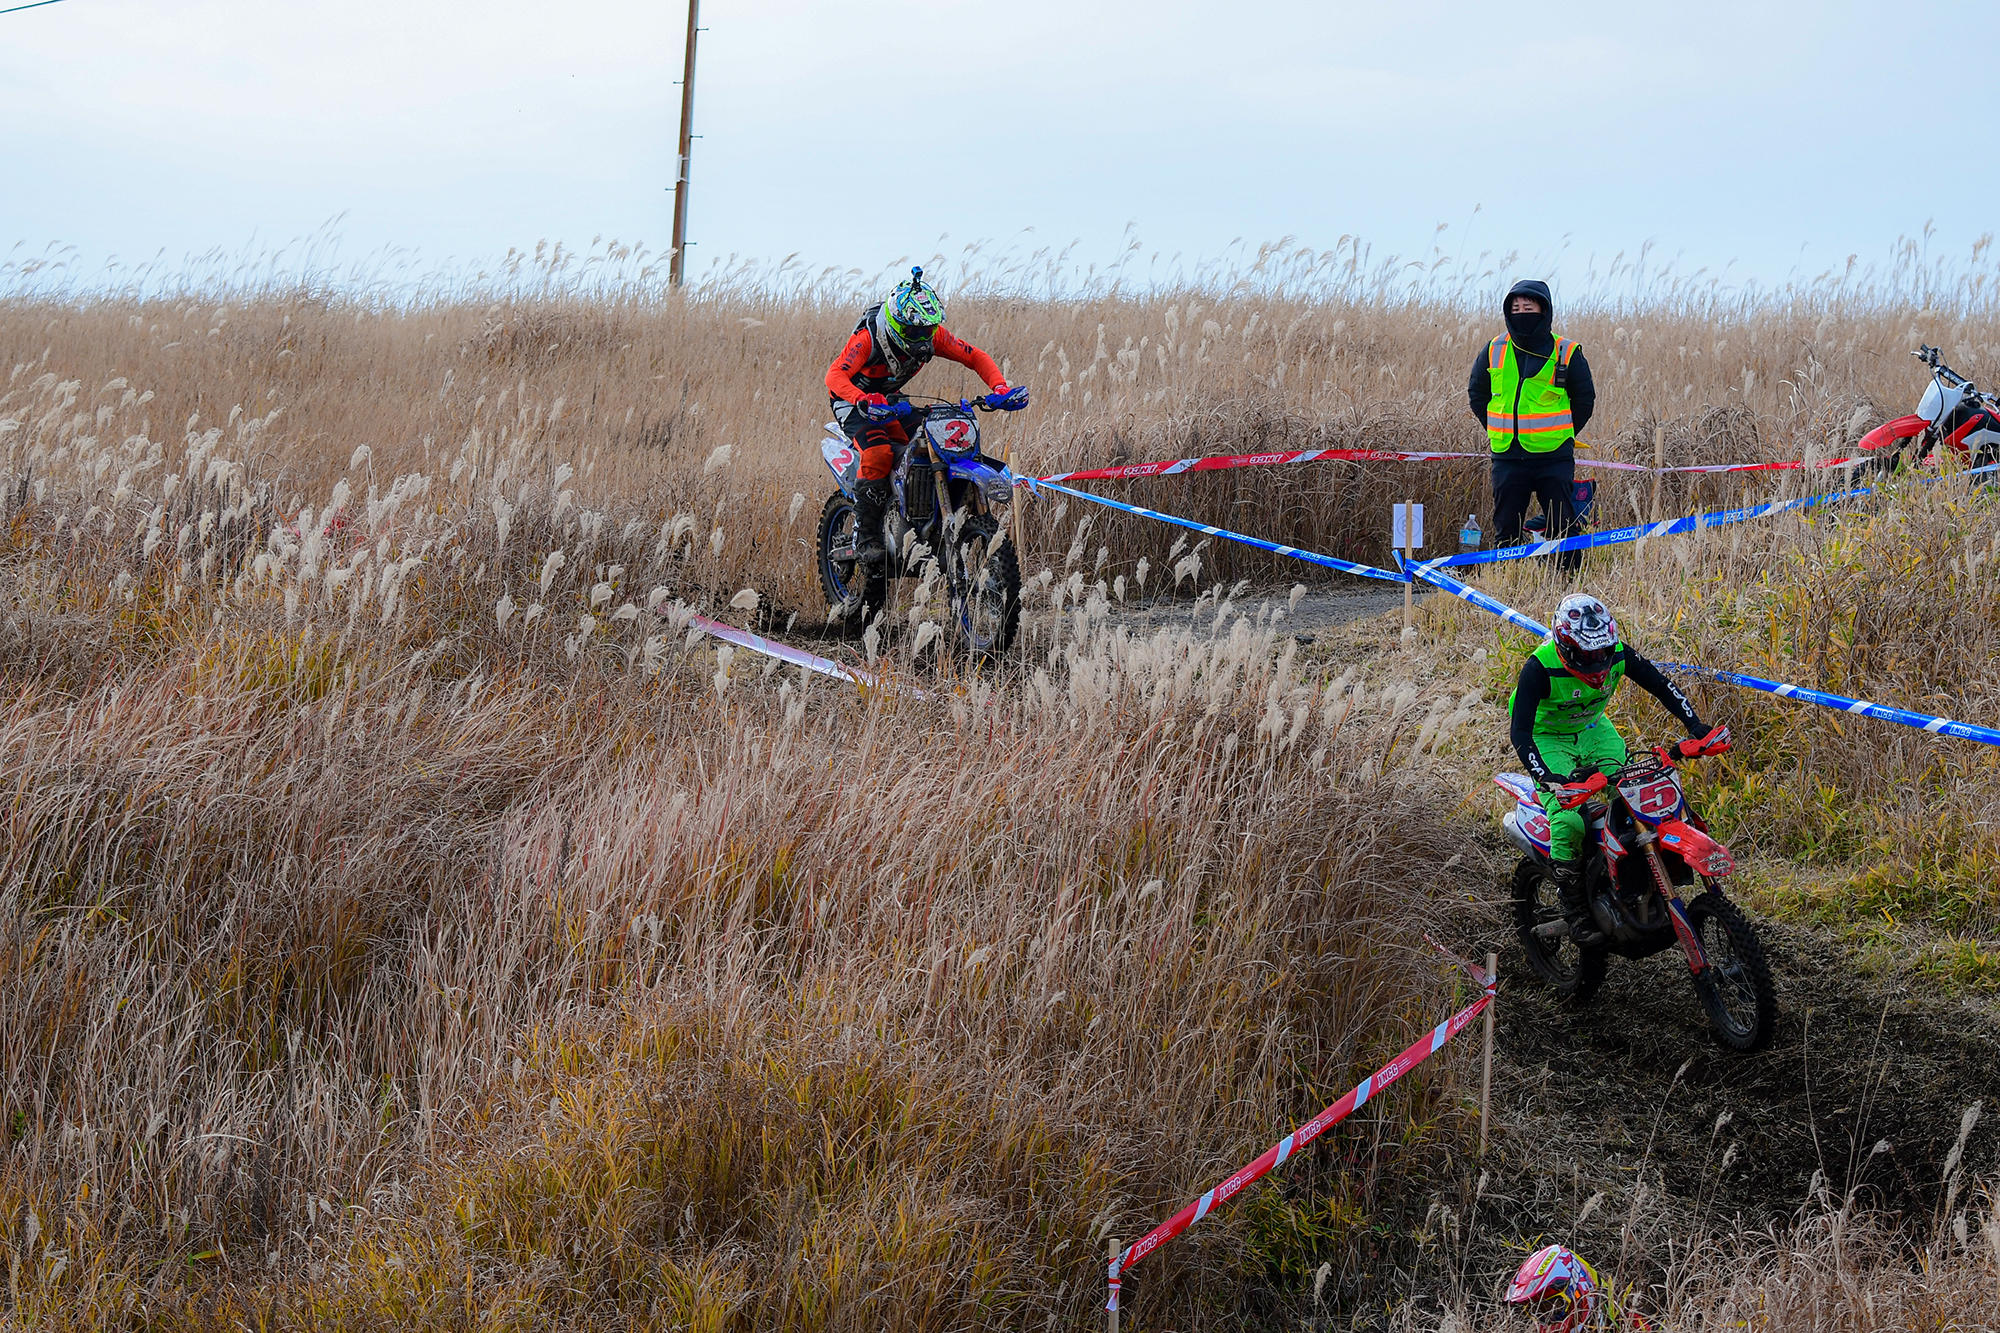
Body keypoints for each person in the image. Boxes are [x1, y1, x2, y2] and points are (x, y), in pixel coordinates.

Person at [1509, 593, 1728, 944]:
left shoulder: (1618, 653)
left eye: (1603, 653)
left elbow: (1661, 685)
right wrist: (1548, 778)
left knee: (1638, 790)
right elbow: (1519, 731)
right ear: (1565, 647)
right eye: (1587, 655)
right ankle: (1576, 908)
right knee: (1567, 820)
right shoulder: (1539, 668)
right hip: (1546, 736)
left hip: (1595, 729)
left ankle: (1636, 875)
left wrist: (1695, 726)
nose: (1598, 663)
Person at [824, 266, 1026, 569]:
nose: (922, 337)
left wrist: (999, 388)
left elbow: (974, 356)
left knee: (928, 440)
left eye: (927, 329)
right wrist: (862, 399)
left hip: (890, 400)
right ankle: (866, 537)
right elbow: (834, 375)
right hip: (852, 400)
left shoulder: (934, 335)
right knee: (879, 453)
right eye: (914, 331)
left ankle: (917, 518)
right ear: (895, 323)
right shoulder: (868, 338)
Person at [1468, 280, 1597, 568]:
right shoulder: (1493, 349)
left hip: (1553, 457)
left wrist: (1563, 433)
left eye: (1529, 307)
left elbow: (1584, 399)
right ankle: (1509, 584)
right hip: (1507, 456)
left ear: (1544, 309)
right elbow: (1477, 393)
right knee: (1506, 528)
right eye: (1515, 307)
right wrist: (1494, 427)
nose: (1521, 312)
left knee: (1562, 525)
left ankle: (1567, 582)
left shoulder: (1567, 351)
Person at [1504, 1244, 1653, 1331]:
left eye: (1552, 1307)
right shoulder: (1551, 1327)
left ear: (1577, 1286)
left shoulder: (1628, 1321)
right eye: (1537, 1312)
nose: (1547, 1318)